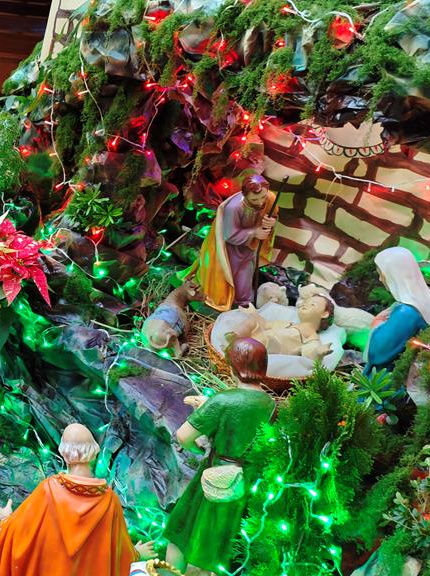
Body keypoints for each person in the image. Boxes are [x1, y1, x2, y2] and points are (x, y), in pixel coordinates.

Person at [162, 338, 276, 574]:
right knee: (227, 540)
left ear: (233, 367)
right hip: (248, 481)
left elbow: (183, 435)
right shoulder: (270, 404)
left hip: (215, 475)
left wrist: (197, 448)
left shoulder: (223, 400)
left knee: (183, 528)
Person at [0, 423, 156, 576]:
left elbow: (18, 537)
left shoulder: (48, 490)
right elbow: (119, 553)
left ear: (64, 454)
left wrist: (5, 519)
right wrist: (137, 554)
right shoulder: (110, 500)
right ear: (93, 453)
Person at [183, 174, 278, 311]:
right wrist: (253, 232)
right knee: (227, 276)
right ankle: (231, 301)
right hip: (230, 250)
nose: (260, 202)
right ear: (245, 195)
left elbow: (273, 213)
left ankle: (244, 303)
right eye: (254, 199)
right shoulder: (234, 208)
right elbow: (229, 235)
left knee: (245, 276)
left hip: (249, 248)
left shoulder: (270, 198)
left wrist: (271, 221)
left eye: (263, 197)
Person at [363, 247, 430, 375]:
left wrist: (377, 324)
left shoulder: (406, 313)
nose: (380, 279)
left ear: (394, 275)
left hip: (390, 377)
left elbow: (378, 352)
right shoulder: (426, 300)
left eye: (382, 274)